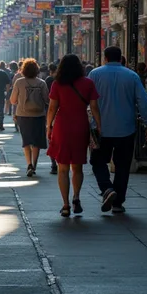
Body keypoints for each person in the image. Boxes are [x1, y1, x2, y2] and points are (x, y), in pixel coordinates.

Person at [89, 45, 147, 214]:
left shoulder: (95, 74)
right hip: (126, 129)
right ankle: (118, 202)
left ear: (105, 58)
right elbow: (143, 100)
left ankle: (107, 188)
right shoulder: (132, 76)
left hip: (100, 129)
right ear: (120, 58)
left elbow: (87, 100)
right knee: (122, 165)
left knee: (97, 161)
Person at [46, 54, 101, 216]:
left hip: (62, 126)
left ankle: (65, 204)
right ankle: (76, 197)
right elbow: (95, 107)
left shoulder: (57, 84)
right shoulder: (88, 83)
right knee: (77, 166)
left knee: (62, 167)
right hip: (80, 125)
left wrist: (48, 125)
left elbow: (52, 108)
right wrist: (99, 125)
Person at [10, 59, 49, 177]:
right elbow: (47, 100)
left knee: (26, 141)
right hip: (38, 115)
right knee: (36, 142)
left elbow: (12, 100)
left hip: (23, 115)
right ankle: (34, 165)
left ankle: (29, 164)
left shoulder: (19, 82)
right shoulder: (42, 83)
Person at [44, 63, 58, 174]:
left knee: (52, 139)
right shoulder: (66, 81)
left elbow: (48, 99)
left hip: (51, 112)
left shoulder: (50, 80)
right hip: (65, 114)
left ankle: (54, 163)